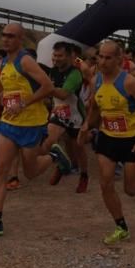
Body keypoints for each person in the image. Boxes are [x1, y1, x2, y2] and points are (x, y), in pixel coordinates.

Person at [0, 24, 72, 237]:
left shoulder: (25, 60)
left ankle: (53, 155)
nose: (6, 39)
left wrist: (24, 104)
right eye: (4, 35)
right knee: (1, 170)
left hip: (30, 123)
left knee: (31, 172)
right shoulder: (4, 62)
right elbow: (8, 91)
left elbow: (47, 87)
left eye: (11, 36)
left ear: (20, 39)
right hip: (9, 123)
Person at [77, 41, 135, 245]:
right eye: (101, 57)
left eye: (108, 57)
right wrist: (87, 125)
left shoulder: (129, 82)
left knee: (131, 190)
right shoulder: (96, 79)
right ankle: (121, 226)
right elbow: (96, 109)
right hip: (107, 138)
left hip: (131, 140)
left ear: (119, 59)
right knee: (105, 183)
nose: (103, 61)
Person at [44, 42, 88, 192]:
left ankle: (84, 175)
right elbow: (50, 94)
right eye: (54, 55)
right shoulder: (52, 71)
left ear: (70, 56)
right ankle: (62, 164)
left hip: (76, 116)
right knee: (48, 140)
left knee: (78, 148)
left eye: (60, 55)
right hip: (58, 113)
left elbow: (63, 94)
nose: (56, 59)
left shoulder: (75, 74)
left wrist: (46, 88)